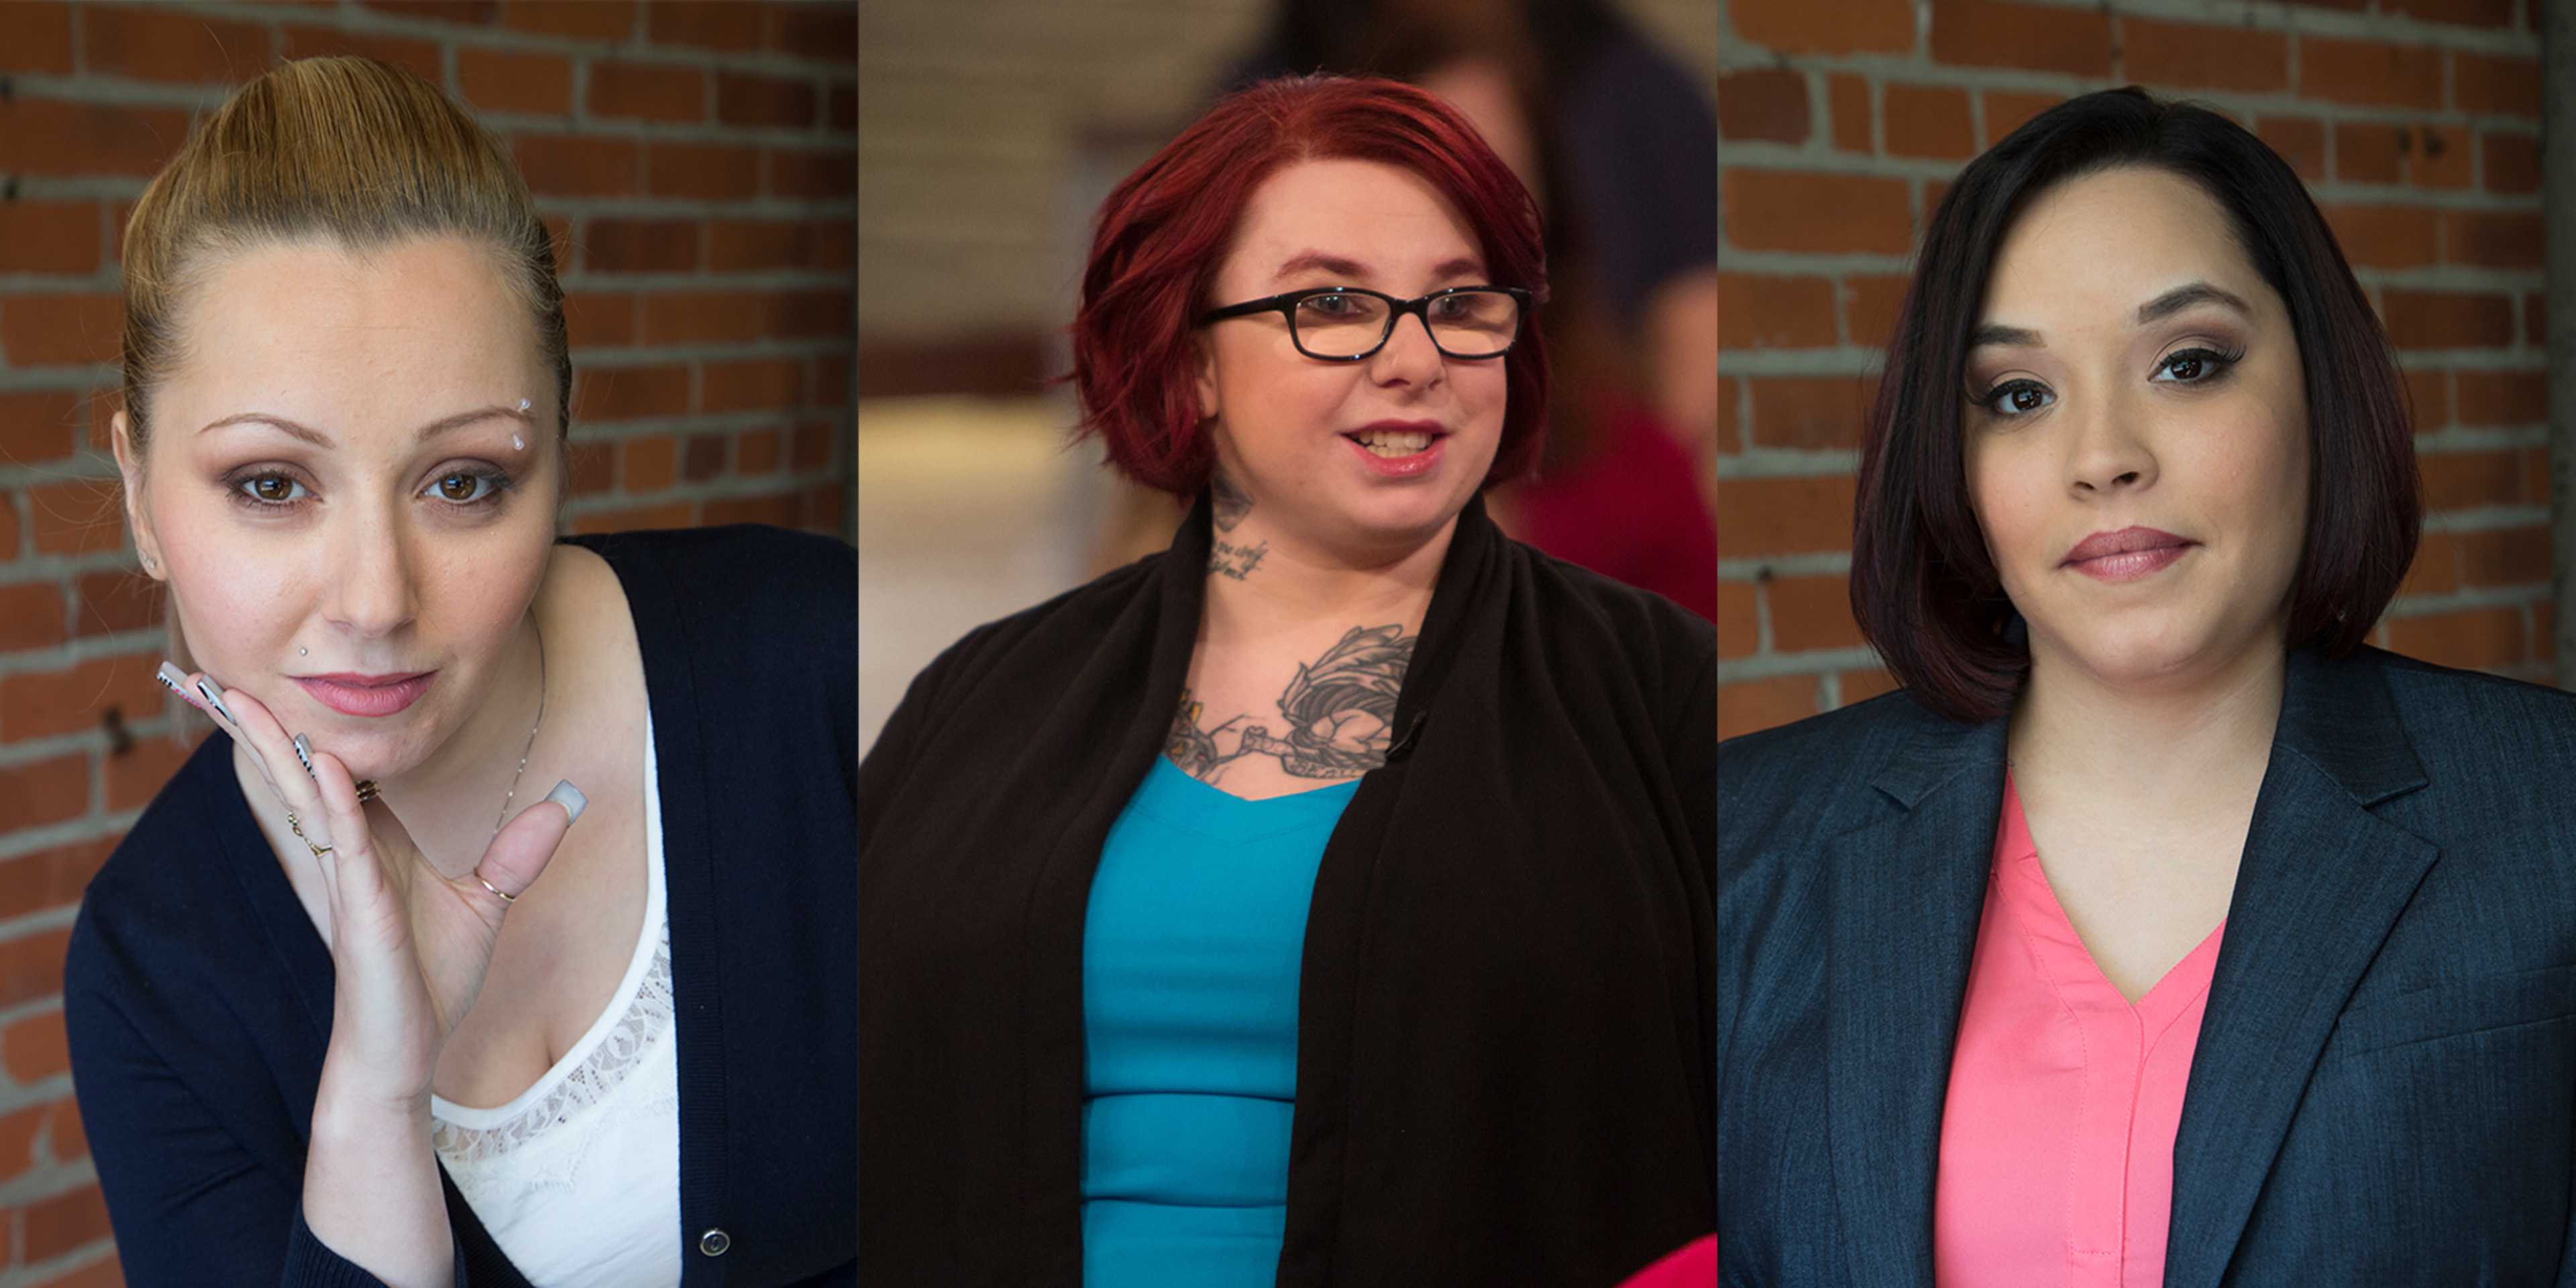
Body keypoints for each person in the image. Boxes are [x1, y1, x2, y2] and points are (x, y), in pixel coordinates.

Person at [859, 74, 1714, 1286]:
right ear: (1190, 358)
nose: (1414, 359)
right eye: (1332, 303)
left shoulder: (1663, 695)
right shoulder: (984, 698)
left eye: (1459, 303)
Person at [1716, 87, 2576, 1283]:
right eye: (2019, 394)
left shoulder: (2550, 815)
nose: (2105, 454)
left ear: (2318, 395)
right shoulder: (1739, 844)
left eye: (2187, 363)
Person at [62, 58, 855, 1286]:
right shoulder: (156, 963)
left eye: (463, 481)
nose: (376, 601)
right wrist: (376, 1103)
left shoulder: (823, 667)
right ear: (139, 493)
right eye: (272, 486)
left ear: (559, 461)